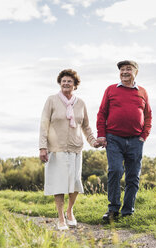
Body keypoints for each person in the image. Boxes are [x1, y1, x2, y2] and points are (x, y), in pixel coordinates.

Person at [39, 69, 99, 230]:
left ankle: (70, 210)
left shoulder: (80, 103)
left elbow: (86, 126)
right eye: (63, 81)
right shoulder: (51, 100)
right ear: (60, 83)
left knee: (75, 183)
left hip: (75, 148)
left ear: (75, 85)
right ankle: (60, 219)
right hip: (56, 149)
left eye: (69, 81)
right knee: (59, 184)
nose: (66, 83)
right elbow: (44, 124)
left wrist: (93, 141)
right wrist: (42, 147)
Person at [96, 60, 152, 221]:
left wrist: (143, 136)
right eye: (122, 69)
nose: (125, 72)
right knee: (115, 170)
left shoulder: (142, 92)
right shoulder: (111, 89)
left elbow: (148, 115)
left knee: (133, 176)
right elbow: (102, 113)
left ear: (136, 72)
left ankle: (128, 211)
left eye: (128, 69)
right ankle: (113, 209)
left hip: (136, 140)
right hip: (114, 138)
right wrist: (101, 134)